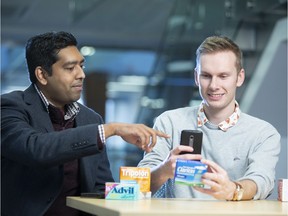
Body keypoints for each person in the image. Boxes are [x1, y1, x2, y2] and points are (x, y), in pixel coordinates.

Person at [1, 31, 169, 216]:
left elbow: (99, 189)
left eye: (81, 66)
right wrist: (111, 129)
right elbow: (36, 149)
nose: (81, 74)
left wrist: (148, 183)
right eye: (70, 68)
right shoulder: (11, 107)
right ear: (42, 75)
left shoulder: (90, 119)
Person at [137, 35, 281, 201]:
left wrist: (233, 190)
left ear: (239, 78)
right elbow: (140, 185)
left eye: (223, 76)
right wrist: (164, 169)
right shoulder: (169, 122)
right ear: (196, 77)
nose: (213, 85)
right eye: (206, 76)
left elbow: (261, 181)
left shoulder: (263, 133)